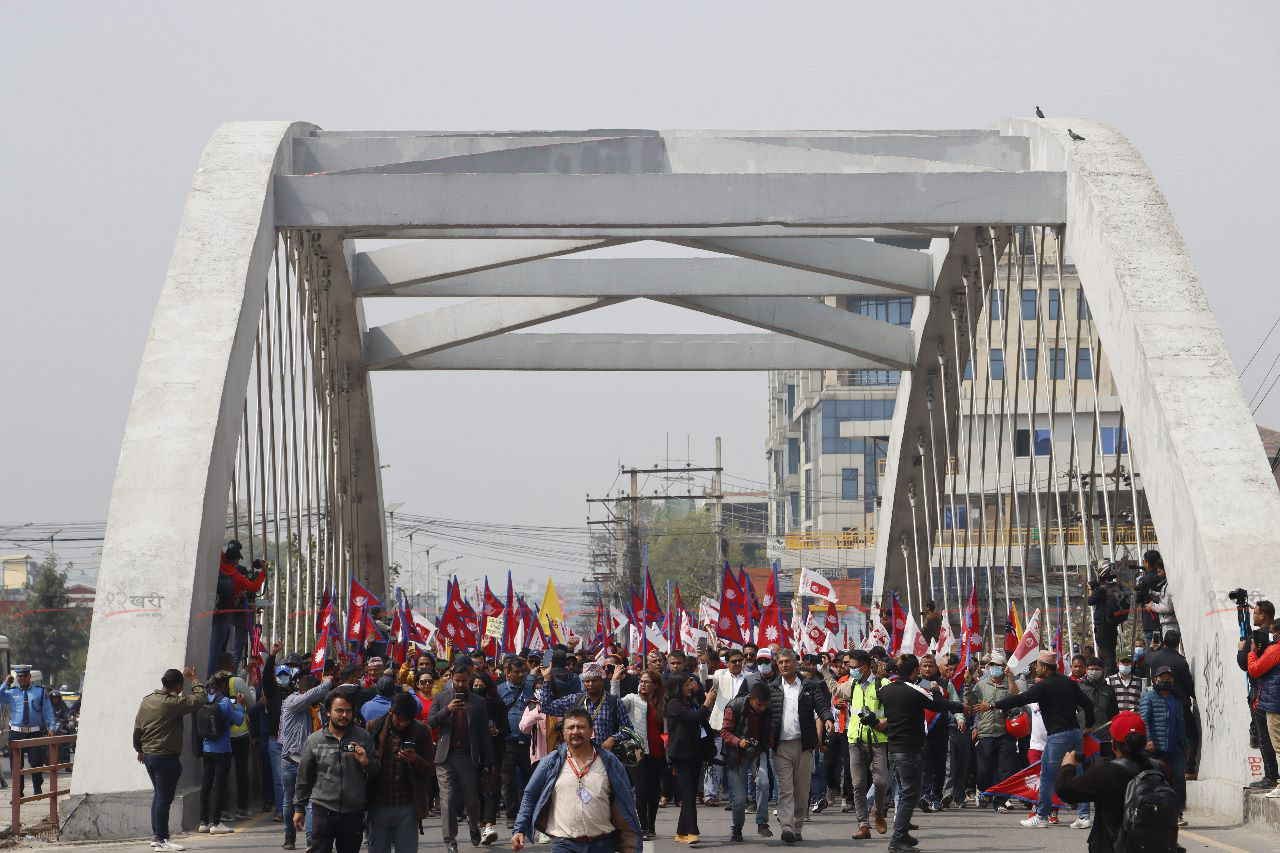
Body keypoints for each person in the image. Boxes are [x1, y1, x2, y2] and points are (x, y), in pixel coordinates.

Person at [977, 652, 1094, 829]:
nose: (1035, 668)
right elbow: (1088, 704)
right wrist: (1089, 725)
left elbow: (1019, 698)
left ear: (1045, 667)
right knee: (1078, 775)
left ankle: (1041, 816)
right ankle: (1084, 816)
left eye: (1037, 665)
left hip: (1058, 737)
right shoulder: (1069, 683)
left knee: (1046, 778)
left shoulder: (1044, 686)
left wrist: (992, 705)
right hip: (1075, 734)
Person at [511, 708, 642, 853]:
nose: (575, 731)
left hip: (602, 845)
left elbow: (626, 801)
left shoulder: (609, 761)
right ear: (563, 733)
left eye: (580, 727)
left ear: (591, 731)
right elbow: (531, 794)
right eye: (570, 727)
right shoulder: (551, 762)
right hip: (564, 845)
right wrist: (520, 829)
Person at [877, 654, 967, 853]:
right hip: (909, 749)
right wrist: (936, 691)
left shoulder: (884, 690)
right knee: (910, 794)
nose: (924, 670)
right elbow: (938, 705)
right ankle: (897, 839)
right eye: (920, 667)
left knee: (910, 792)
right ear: (913, 671)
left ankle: (903, 833)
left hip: (895, 747)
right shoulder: (916, 690)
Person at [1054, 710, 1178, 853]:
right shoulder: (1161, 768)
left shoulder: (1105, 772)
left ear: (1113, 744)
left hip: (1113, 846)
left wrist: (1068, 766)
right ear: (1143, 741)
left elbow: (1064, 790)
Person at [292, 689, 381, 853]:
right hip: (322, 808)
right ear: (328, 712)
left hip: (353, 811)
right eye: (339, 710)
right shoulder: (315, 740)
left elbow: (376, 769)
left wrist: (365, 762)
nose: (344, 715)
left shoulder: (362, 737)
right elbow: (304, 776)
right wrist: (299, 808)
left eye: (348, 711)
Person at [133, 665, 204, 851]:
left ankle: (157, 836)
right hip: (165, 757)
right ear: (178, 686)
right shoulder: (172, 703)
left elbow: (137, 730)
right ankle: (162, 839)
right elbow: (199, 699)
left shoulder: (146, 701)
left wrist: (139, 749)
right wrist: (195, 680)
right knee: (164, 798)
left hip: (149, 755)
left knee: (159, 796)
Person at [428, 657, 496, 851]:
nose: (459, 684)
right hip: (445, 757)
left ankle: (474, 828)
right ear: (451, 679)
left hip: (468, 757)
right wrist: (447, 710)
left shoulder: (479, 702)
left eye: (463, 681)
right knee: (447, 800)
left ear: (469, 679)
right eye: (456, 681)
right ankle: (450, 840)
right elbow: (431, 722)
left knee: (472, 801)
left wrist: (489, 762)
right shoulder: (441, 698)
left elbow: (484, 735)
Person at [767, 648, 834, 845]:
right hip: (781, 747)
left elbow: (821, 705)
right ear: (777, 664)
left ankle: (797, 827)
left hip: (804, 745)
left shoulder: (809, 686)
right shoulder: (772, 688)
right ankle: (787, 827)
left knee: (802, 789)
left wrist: (827, 718)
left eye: (788, 661)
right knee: (786, 788)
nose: (784, 665)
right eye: (781, 662)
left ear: (796, 663)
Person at [366, 692, 433, 853]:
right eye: (399, 719)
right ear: (390, 712)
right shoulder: (373, 727)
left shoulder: (422, 730)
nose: (403, 724)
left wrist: (414, 759)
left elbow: (430, 771)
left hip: (407, 807)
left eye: (407, 720)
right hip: (378, 805)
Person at [279, 669, 334, 850]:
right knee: (289, 801)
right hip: (291, 761)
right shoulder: (292, 701)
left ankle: (312, 841)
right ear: (307, 691)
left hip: (312, 762)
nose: (318, 697)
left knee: (312, 803)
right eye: (315, 693)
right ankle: (289, 836)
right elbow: (313, 694)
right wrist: (325, 684)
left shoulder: (318, 709)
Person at [964, 651, 1019, 813]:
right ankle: (983, 790)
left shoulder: (1009, 684)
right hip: (986, 732)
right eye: (992, 665)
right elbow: (970, 702)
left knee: (1005, 769)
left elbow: (1016, 699)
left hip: (1005, 732)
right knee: (983, 770)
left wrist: (1011, 677)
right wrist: (967, 685)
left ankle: (1000, 801)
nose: (995, 668)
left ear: (1004, 668)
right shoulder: (981, 684)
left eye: (999, 666)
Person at [614, 667, 664, 840]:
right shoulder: (632, 699)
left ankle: (651, 825)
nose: (642, 684)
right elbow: (616, 704)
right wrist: (615, 681)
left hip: (658, 752)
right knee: (642, 791)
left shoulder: (662, 702)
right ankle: (642, 827)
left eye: (646, 682)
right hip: (636, 752)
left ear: (655, 685)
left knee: (654, 791)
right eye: (641, 681)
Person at [664, 671, 715, 843]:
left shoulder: (688, 700)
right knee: (687, 794)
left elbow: (699, 707)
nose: (688, 687)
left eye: (689, 684)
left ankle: (681, 832)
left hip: (695, 752)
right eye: (686, 685)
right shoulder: (674, 704)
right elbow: (696, 716)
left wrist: (699, 690)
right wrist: (708, 702)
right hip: (681, 755)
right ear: (677, 687)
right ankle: (692, 832)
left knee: (690, 793)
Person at [721, 681, 773, 841]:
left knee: (764, 784)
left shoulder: (767, 709)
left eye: (765, 705)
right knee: (739, 797)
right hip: (737, 755)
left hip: (758, 752)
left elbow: (770, 730)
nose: (762, 708)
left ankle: (762, 823)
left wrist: (770, 741)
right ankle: (737, 828)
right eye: (759, 704)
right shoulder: (733, 707)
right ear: (750, 698)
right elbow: (724, 732)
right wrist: (738, 741)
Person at [706, 649, 758, 807]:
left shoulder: (749, 678)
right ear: (727, 662)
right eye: (733, 661)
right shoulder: (720, 675)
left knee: (739, 763)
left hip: (742, 726)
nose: (737, 663)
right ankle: (710, 795)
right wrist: (702, 663)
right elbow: (703, 679)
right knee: (715, 760)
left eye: (739, 660)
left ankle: (738, 796)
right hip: (720, 724)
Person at [536, 662, 630, 749]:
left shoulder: (613, 701)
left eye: (594, 680)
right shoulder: (575, 700)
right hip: (579, 756)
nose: (591, 684)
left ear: (602, 681)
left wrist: (613, 738)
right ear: (583, 683)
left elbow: (628, 730)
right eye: (587, 681)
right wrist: (547, 678)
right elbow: (546, 708)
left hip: (606, 757)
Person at [196, 671, 245, 834]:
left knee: (206, 785)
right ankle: (216, 823)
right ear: (223, 685)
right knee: (220, 785)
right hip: (222, 749)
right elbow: (238, 720)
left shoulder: (204, 699)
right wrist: (239, 704)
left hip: (206, 748)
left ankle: (203, 822)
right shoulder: (224, 702)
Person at [1238, 599, 1277, 790]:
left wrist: (1241, 650)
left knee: (1264, 736)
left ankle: (1271, 776)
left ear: (1263, 616)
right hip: (1273, 691)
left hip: (1260, 692)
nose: (1254, 616)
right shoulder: (1275, 638)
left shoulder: (1257, 636)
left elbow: (1246, 665)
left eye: (1255, 613)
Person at [2, 666, 56, 799]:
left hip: (34, 732)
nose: (22, 678)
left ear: (30, 677)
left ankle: (37, 789)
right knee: (16, 766)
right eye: (19, 676)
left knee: (36, 761)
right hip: (16, 733)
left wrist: (52, 727)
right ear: (17, 678)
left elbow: (47, 711)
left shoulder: (40, 692)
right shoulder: (10, 692)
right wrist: (5, 683)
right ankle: (18, 793)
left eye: (25, 676)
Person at [498, 657, 536, 831]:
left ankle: (531, 814)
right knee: (508, 781)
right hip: (508, 743)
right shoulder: (499, 690)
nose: (520, 675)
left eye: (523, 671)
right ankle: (511, 815)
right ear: (508, 673)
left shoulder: (531, 688)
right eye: (516, 672)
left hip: (529, 743)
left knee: (532, 780)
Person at [1246, 619, 1280, 798]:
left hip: (1274, 702)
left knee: (1277, 743)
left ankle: (1277, 782)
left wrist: (1251, 652)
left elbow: (1254, 670)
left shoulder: (1276, 649)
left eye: (1273, 633)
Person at [938, 653, 970, 810]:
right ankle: (947, 794)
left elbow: (970, 705)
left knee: (963, 763)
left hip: (963, 728)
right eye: (948, 669)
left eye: (954, 669)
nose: (951, 673)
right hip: (945, 728)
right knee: (950, 764)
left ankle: (959, 796)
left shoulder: (966, 683)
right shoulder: (939, 683)